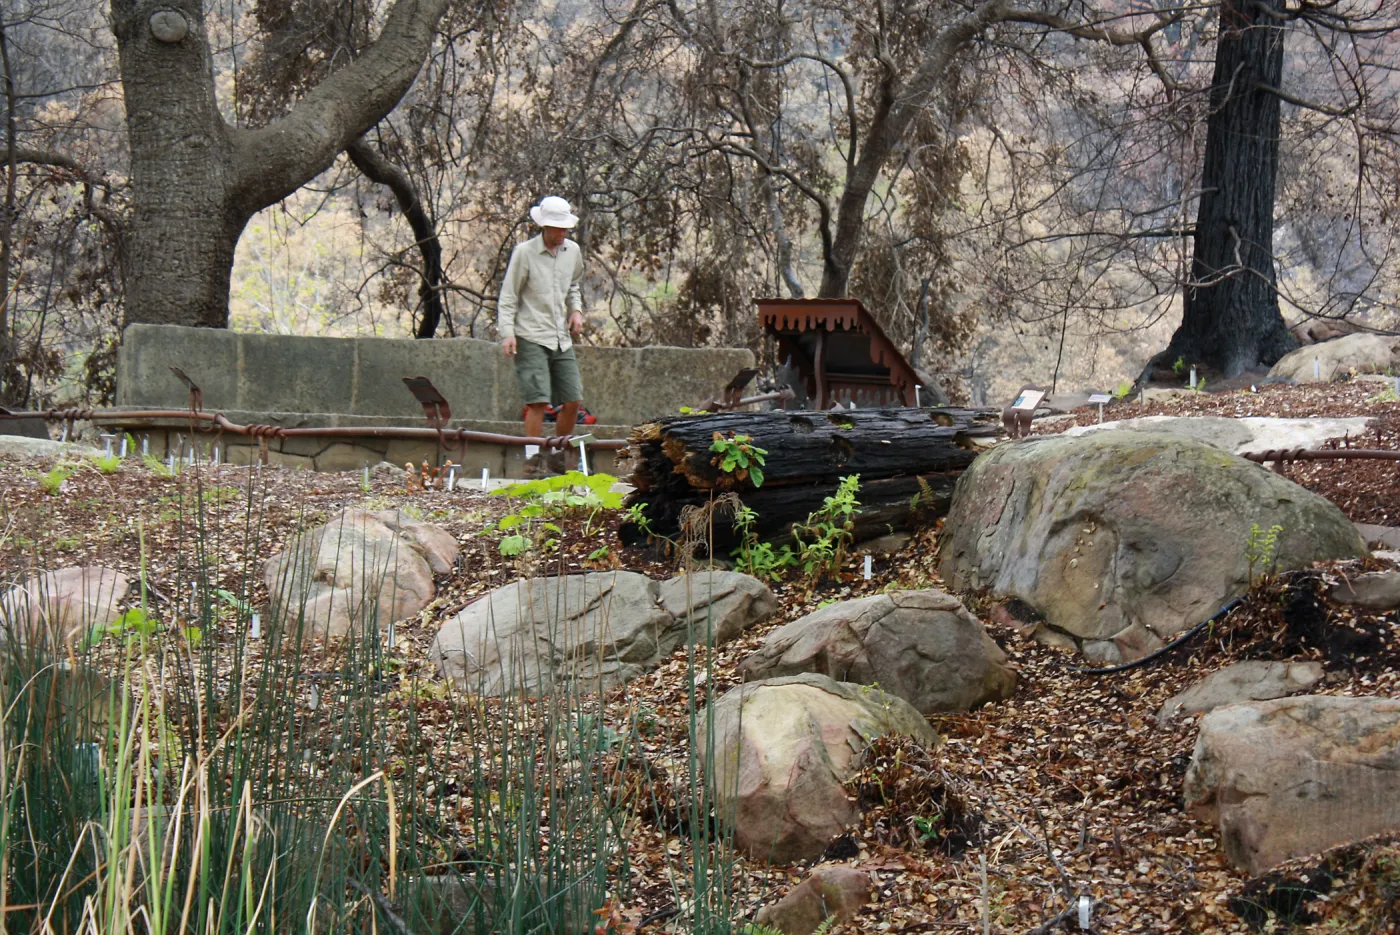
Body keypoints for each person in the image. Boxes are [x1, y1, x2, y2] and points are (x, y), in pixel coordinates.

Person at [497, 196, 586, 473]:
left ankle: (559, 455)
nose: (562, 234)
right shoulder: (524, 253)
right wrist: (508, 333)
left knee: (572, 399)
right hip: (530, 333)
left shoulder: (572, 251)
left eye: (565, 229)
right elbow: (509, 295)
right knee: (537, 400)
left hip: (560, 336)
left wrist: (576, 311)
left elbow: (573, 284)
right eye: (556, 229)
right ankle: (533, 458)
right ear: (544, 227)